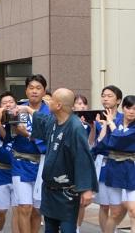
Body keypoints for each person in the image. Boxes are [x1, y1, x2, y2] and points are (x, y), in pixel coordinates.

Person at [20, 88, 97, 232]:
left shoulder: (75, 127)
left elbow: (83, 158)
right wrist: (27, 109)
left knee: (68, 228)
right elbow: (43, 120)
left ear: (59, 105)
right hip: (50, 189)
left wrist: (86, 189)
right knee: (50, 228)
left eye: (52, 100)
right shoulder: (54, 121)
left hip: (67, 191)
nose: (48, 101)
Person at [12, 74, 50, 233]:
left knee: (37, 210)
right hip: (20, 162)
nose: (34, 91)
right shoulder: (17, 109)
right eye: (31, 88)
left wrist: (27, 134)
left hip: (42, 164)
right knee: (24, 207)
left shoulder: (50, 111)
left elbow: (48, 136)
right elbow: (8, 135)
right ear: (26, 91)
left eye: (38, 88)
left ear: (44, 91)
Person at [96, 95, 135, 233]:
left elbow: (121, 138)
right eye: (128, 108)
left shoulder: (117, 123)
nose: (131, 111)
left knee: (133, 210)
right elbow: (104, 143)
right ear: (123, 108)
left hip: (132, 169)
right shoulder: (114, 121)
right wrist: (105, 126)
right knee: (115, 212)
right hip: (114, 168)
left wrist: (111, 124)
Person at [92, 85, 127, 230]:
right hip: (103, 164)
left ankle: (111, 228)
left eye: (109, 96)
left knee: (119, 206)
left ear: (118, 100)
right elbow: (93, 144)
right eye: (103, 95)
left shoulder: (124, 118)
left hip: (120, 164)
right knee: (104, 205)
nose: (105, 98)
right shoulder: (96, 118)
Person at [0, 92, 20, 233]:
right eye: (4, 102)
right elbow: (5, 138)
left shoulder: (20, 120)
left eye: (11, 101)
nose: (8, 104)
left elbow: (9, 138)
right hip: (0, 171)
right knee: (1, 210)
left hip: (18, 170)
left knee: (17, 209)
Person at [72, 94, 91, 233]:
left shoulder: (90, 123)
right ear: (72, 106)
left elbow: (91, 143)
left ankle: (77, 228)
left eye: (84, 103)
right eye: (78, 103)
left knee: (81, 202)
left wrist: (92, 126)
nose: (82, 106)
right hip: (70, 164)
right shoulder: (69, 121)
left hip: (84, 165)